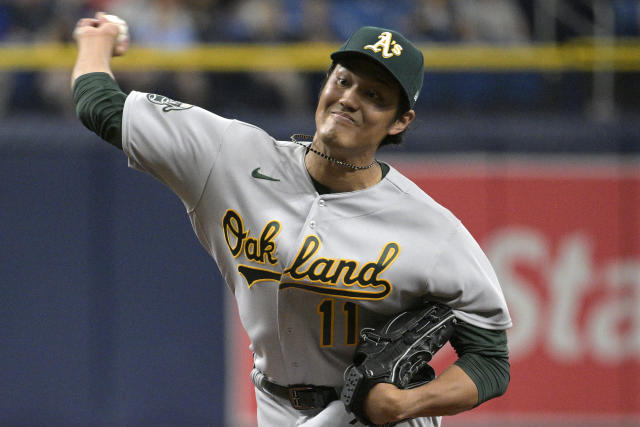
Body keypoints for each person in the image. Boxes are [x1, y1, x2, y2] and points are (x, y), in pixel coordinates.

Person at [71, 12, 512, 426]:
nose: (350, 99)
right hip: (277, 405)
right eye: (344, 80)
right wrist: (96, 40)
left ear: (400, 122)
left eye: (374, 96)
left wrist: (406, 401)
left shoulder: (432, 229)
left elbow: (490, 359)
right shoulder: (231, 157)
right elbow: (100, 105)